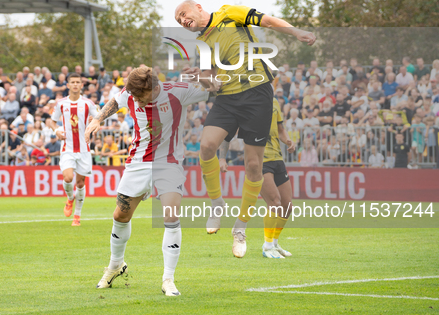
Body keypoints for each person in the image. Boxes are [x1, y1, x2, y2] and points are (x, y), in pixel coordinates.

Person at [175, 0, 315, 237]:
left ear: (198, 7)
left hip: (256, 94)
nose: (182, 21)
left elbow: (268, 21)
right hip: (227, 97)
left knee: (253, 165)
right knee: (207, 145)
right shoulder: (202, 44)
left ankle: (241, 224)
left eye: (183, 14)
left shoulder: (229, 13)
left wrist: (295, 31)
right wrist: (197, 76)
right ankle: (217, 203)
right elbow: (214, 81)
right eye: (178, 21)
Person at [85, 66, 212, 297]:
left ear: (154, 89)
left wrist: (204, 76)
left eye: (140, 97)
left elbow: (217, 89)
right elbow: (116, 100)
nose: (136, 101)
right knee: (120, 215)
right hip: (138, 162)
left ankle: (168, 279)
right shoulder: (132, 91)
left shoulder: (178, 91)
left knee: (171, 216)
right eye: (133, 96)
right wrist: (97, 119)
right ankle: (115, 265)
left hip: (169, 163)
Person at [219, 97, 296, 259]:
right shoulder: (244, 101)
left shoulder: (274, 101)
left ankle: (274, 243)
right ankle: (267, 246)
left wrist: (288, 140)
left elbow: (280, 129)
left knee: (287, 205)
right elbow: (228, 132)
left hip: (277, 159)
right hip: (258, 161)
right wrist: (222, 157)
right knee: (274, 201)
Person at [46, 73, 98, 227]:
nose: (75, 85)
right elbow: (51, 121)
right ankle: (70, 198)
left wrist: (94, 124)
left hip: (84, 149)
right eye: (72, 82)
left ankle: (77, 215)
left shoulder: (88, 103)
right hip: (67, 148)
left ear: (82, 85)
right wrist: (56, 131)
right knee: (68, 178)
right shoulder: (61, 103)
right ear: (68, 85)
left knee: (80, 183)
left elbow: (98, 119)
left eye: (78, 82)